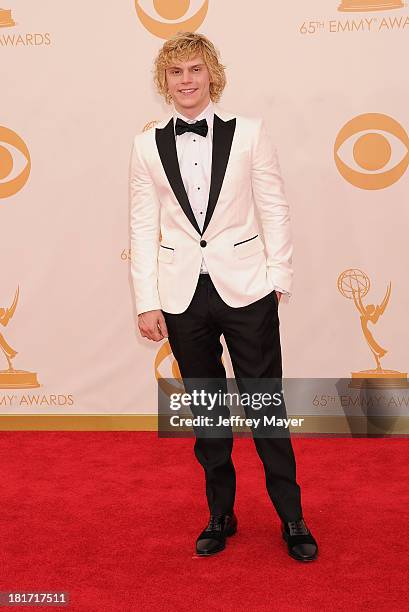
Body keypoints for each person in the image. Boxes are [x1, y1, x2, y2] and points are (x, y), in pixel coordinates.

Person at [130, 31, 318, 561]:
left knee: (265, 405)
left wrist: (278, 276)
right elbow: (142, 224)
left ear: (212, 74)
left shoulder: (251, 133)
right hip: (181, 293)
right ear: (163, 82)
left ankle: (292, 517)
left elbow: (274, 205)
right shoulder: (146, 143)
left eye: (194, 70)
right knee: (208, 411)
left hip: (248, 287)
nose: (185, 80)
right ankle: (221, 513)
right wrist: (147, 299)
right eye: (175, 72)